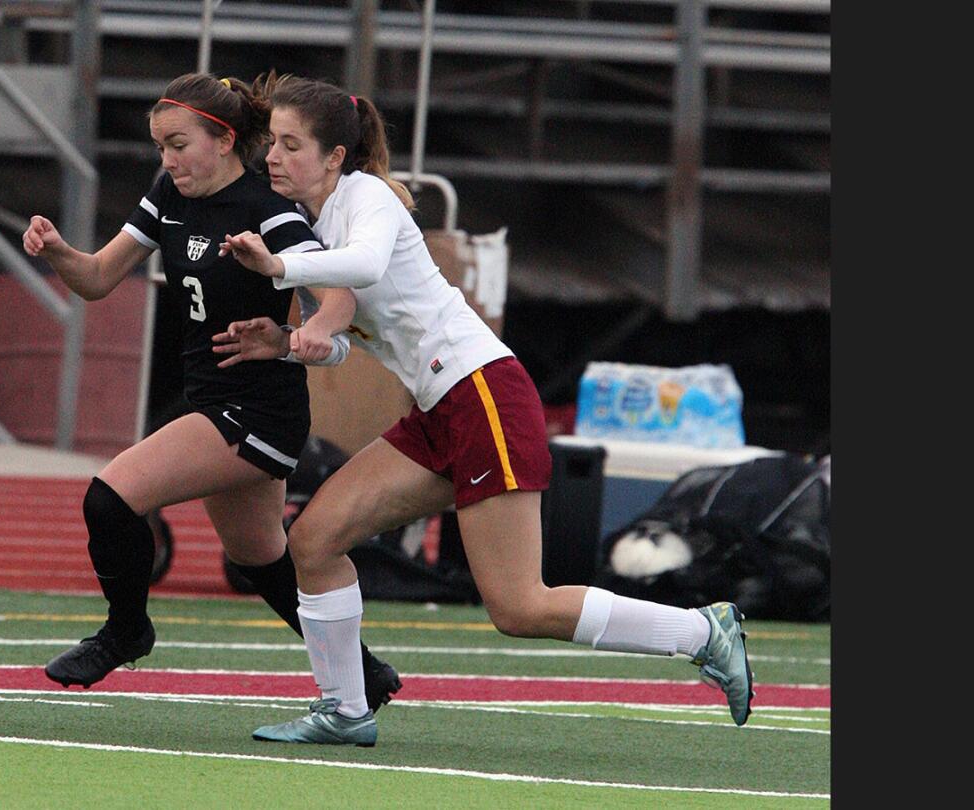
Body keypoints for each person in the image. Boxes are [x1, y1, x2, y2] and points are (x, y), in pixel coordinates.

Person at [212, 73, 754, 747]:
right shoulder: (315, 230)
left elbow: (368, 262)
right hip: (442, 410)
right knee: (314, 541)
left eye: (292, 145)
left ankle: (703, 631)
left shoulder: (367, 198)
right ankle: (345, 709)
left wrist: (279, 271)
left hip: (484, 395)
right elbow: (343, 348)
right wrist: (285, 345)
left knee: (518, 605)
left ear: (335, 158)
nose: (273, 158)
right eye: (274, 143)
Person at [19, 72, 402, 713]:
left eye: (178, 144)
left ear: (223, 140)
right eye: (160, 147)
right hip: (214, 399)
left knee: (111, 498)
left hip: (257, 408)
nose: (167, 160)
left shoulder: (267, 211)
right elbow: (96, 279)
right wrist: (59, 251)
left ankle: (126, 631)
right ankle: (365, 673)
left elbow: (339, 292)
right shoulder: (170, 192)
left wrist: (297, 337)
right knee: (260, 556)